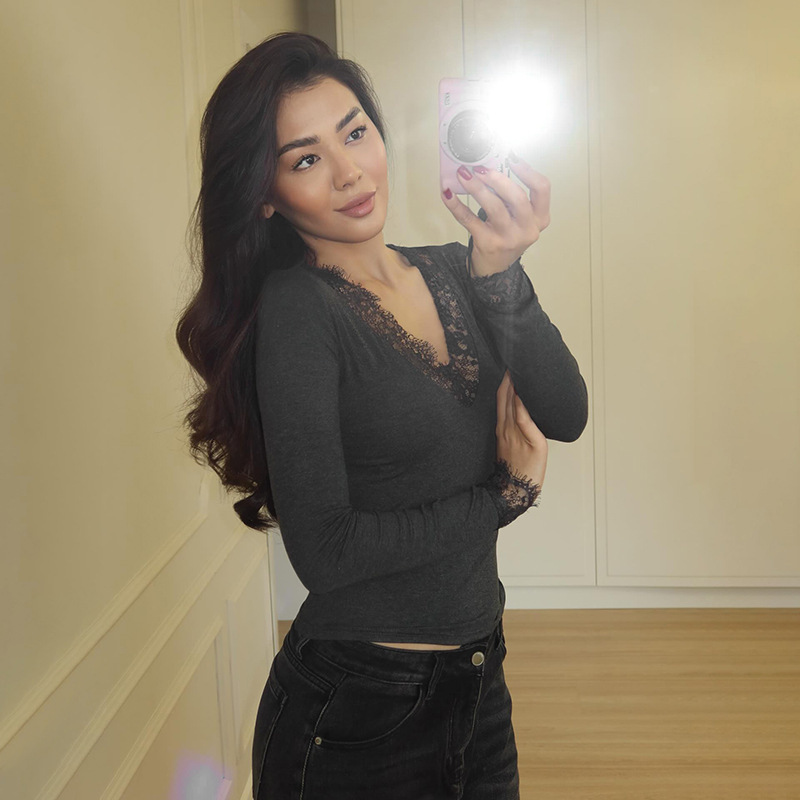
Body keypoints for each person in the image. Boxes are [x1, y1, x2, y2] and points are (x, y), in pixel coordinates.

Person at [176, 30, 588, 800]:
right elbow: (325, 553)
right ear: (266, 195)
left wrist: (503, 275)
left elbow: (566, 412)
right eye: (305, 160)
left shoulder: (458, 267)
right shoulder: (300, 311)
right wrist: (502, 499)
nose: (349, 172)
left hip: (479, 682)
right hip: (358, 712)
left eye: (355, 133)